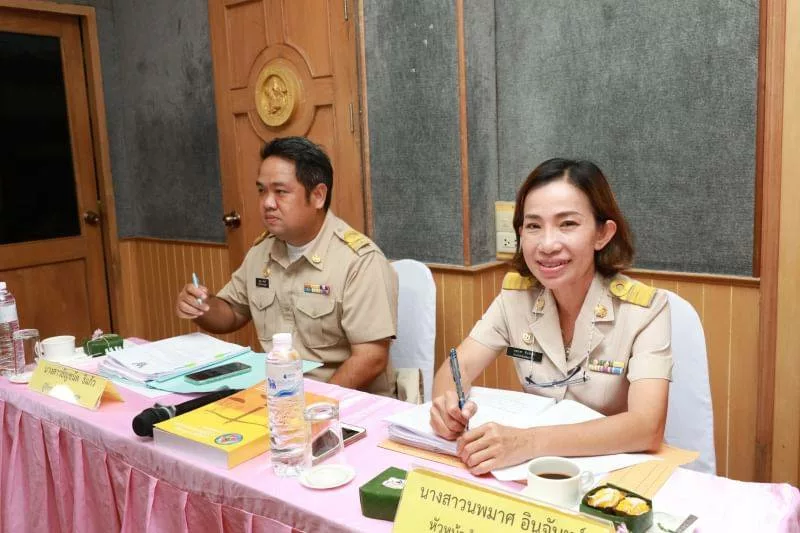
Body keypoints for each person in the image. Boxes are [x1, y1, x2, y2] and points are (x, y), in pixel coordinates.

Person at [430, 158, 672, 474]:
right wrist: (447, 408)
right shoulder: (515, 298)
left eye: (567, 224)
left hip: (613, 473)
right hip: (531, 472)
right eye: (533, 226)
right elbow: (456, 368)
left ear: (602, 234)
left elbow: (646, 427)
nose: (546, 245)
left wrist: (528, 443)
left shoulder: (645, 310)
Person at [175, 136, 398, 396]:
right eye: (262, 191)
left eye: (280, 192)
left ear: (318, 196)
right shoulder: (261, 252)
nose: (267, 203)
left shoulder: (359, 261)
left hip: (344, 400)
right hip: (278, 395)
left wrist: (312, 403)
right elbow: (232, 312)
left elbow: (371, 357)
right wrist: (201, 306)